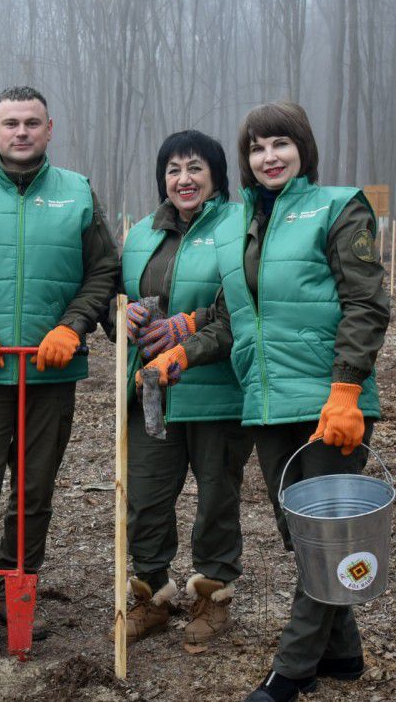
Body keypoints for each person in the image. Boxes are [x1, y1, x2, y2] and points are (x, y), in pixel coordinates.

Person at [139, 101, 389, 702]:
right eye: (256, 148)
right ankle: (344, 654)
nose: (268, 157)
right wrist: (184, 351)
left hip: (330, 400)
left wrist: (348, 389)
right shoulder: (239, 224)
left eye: (280, 144)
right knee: (301, 535)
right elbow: (232, 319)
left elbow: (367, 305)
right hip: (268, 402)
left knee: (327, 535)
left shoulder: (338, 207)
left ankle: (291, 671)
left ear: (302, 148)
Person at [0, 85, 118, 667]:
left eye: (32, 122)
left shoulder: (78, 194)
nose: (21, 132)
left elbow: (103, 269)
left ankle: (17, 595)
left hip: (48, 373)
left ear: (50, 128)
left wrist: (73, 325)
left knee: (33, 494)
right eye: (10, 122)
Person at [118, 131, 253, 646]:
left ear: (216, 175)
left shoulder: (239, 228)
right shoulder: (140, 236)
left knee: (217, 495)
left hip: (216, 389)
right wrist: (123, 313)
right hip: (153, 390)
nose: (184, 179)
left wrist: (192, 326)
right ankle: (151, 596)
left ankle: (212, 596)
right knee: (147, 497)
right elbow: (120, 296)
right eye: (173, 169)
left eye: (195, 167)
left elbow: (245, 306)